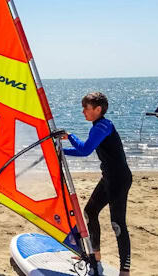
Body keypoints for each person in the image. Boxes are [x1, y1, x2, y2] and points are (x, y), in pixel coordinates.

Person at [61, 92, 133, 275]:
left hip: (119, 180)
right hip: (108, 177)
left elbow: (85, 150)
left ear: (98, 109)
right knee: (90, 212)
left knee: (117, 224)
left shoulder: (104, 126)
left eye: (86, 107)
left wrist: (70, 136)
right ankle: (96, 254)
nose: (83, 111)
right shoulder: (98, 126)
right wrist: (61, 151)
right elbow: (86, 148)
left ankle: (125, 270)